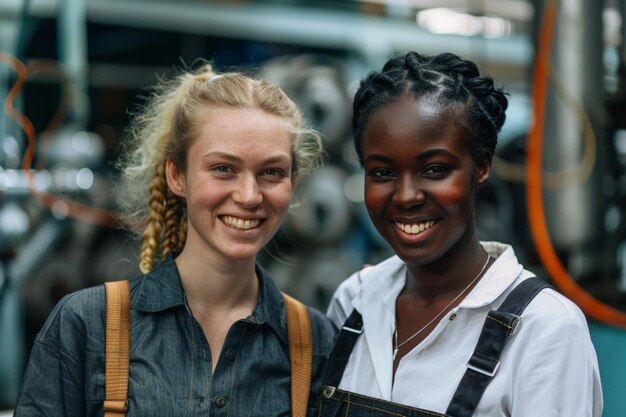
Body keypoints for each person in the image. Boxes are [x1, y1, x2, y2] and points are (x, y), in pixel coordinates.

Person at [14, 62, 337, 416]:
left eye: (271, 172)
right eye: (223, 169)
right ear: (177, 176)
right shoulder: (86, 325)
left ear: (295, 180)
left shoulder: (316, 343)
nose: (249, 195)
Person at [321, 51, 602, 417]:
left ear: (481, 167)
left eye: (435, 169)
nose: (406, 196)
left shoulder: (544, 329)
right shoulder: (354, 302)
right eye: (382, 173)